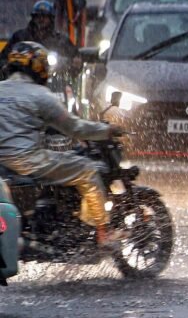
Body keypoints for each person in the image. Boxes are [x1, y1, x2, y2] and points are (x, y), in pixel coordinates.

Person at [0, 42, 125, 248]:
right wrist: (106, 130)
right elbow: (75, 127)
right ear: (39, 68)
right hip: (28, 160)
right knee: (87, 170)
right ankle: (103, 233)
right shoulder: (40, 95)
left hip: (4, 164)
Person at [0, 0, 81, 78]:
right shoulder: (19, 36)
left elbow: (75, 61)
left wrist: (73, 64)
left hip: (52, 82)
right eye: (38, 16)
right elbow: (3, 58)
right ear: (33, 18)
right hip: (21, 81)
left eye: (44, 16)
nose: (41, 19)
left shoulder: (61, 41)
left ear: (51, 19)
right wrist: (7, 65)